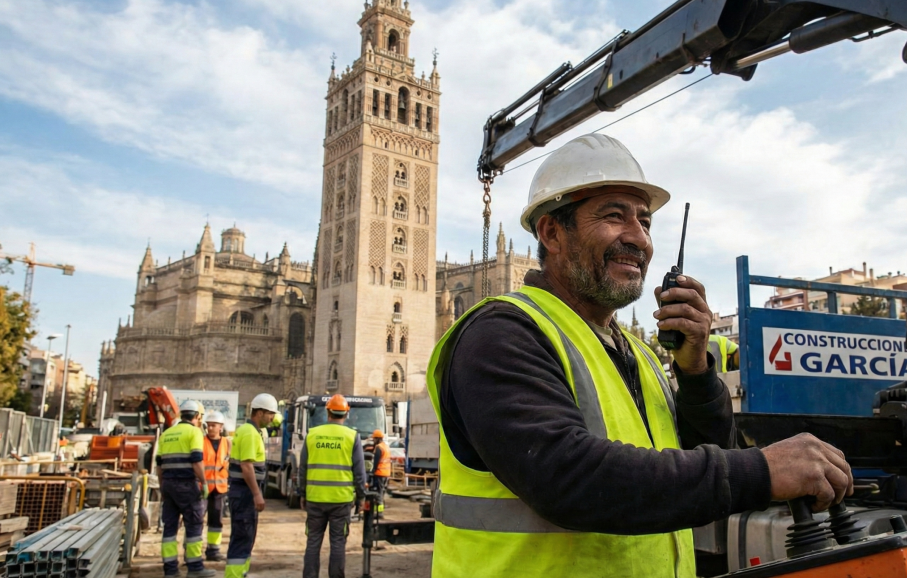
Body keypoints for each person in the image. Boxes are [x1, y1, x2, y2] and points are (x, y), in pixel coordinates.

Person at [427, 133, 854, 577]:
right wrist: (763, 469)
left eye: (645, 223)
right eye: (614, 216)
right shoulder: (501, 333)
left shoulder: (638, 353)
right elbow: (570, 479)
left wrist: (694, 374)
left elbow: (701, 464)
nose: (639, 238)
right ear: (552, 232)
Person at [298, 394, 367, 578]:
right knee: (337, 543)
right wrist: (361, 496)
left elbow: (303, 468)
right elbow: (360, 472)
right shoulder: (352, 436)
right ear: (346, 414)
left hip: (315, 498)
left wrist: (302, 493)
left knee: (313, 542)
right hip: (340, 500)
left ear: (327, 411)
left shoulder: (312, 435)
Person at [156, 400, 215, 578]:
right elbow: (196, 460)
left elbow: (159, 465)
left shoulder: (166, 433)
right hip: (187, 485)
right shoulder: (194, 432)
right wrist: (204, 482)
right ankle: (195, 567)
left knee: (169, 528)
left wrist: (162, 487)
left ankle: (170, 569)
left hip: (168, 484)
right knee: (194, 525)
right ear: (197, 416)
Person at [224, 393, 278, 578]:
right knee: (242, 537)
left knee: (246, 537)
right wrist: (257, 494)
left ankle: (241, 573)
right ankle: (234, 575)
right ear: (260, 412)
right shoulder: (249, 432)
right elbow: (247, 466)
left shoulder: (252, 431)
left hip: (243, 492)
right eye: (270, 413)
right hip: (244, 492)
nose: (272, 418)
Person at [201, 410, 230, 562]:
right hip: (203, 489)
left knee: (216, 521)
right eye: (208, 425)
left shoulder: (227, 443)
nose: (210, 428)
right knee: (197, 520)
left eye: (214, 425)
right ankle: (191, 552)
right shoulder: (201, 442)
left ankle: (213, 550)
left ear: (221, 427)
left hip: (219, 490)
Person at [369, 429, 391, 513]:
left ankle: (379, 512)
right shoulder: (386, 446)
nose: (373, 440)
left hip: (380, 473)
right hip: (386, 473)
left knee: (378, 492)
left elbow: (376, 462)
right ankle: (378, 511)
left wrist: (372, 471)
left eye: (374, 439)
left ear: (377, 438)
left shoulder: (379, 447)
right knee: (382, 491)